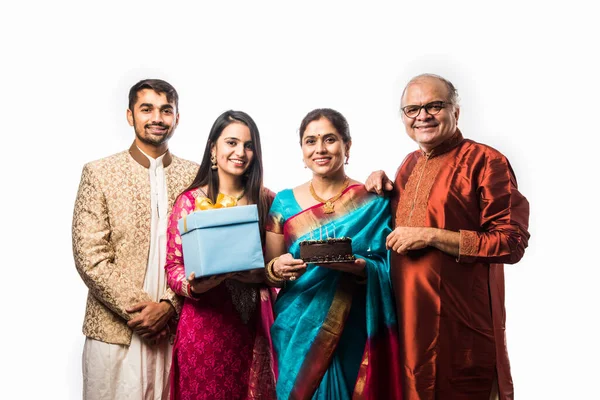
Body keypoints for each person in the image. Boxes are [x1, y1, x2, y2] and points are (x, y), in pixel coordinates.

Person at [365, 73, 530, 400]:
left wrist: (433, 236)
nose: (422, 116)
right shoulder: (408, 165)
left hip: (461, 332)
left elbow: (511, 242)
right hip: (408, 329)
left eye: (434, 106)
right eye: (411, 109)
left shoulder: (486, 161)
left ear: (456, 111)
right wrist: (374, 188)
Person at [72, 79, 199, 399]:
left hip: (174, 332)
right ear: (130, 115)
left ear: (177, 118)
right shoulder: (100, 173)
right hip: (115, 331)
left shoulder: (194, 176)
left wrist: (168, 308)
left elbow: (202, 254)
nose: (157, 117)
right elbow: (90, 255)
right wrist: (142, 311)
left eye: (166, 110)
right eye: (147, 109)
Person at [264, 108, 402, 399]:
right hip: (297, 324)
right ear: (301, 150)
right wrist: (278, 269)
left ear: (347, 146)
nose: (320, 149)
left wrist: (363, 268)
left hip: (352, 322)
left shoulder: (372, 199)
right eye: (310, 141)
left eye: (330, 139)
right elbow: (270, 270)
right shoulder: (283, 203)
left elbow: (391, 264)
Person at [164, 110, 277, 400]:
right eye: (232, 143)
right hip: (203, 328)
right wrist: (193, 286)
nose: (240, 152)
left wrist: (260, 274)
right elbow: (173, 265)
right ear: (213, 148)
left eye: (249, 145)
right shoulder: (189, 201)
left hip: (253, 327)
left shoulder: (268, 201)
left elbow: (278, 267)